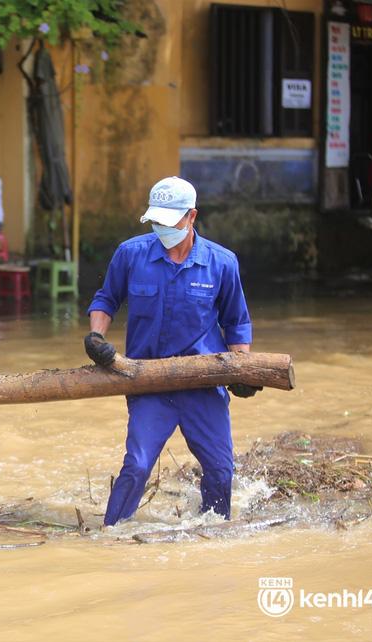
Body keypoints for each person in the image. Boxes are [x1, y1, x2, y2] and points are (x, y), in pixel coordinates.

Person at [84, 176, 257, 526]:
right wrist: (96, 338)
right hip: (148, 384)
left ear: (191, 217)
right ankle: (109, 534)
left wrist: (241, 370)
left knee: (220, 469)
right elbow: (106, 299)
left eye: (170, 220)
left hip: (204, 385)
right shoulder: (131, 255)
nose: (162, 228)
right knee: (137, 464)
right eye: (156, 220)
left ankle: (214, 532)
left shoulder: (221, 263)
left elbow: (236, 323)